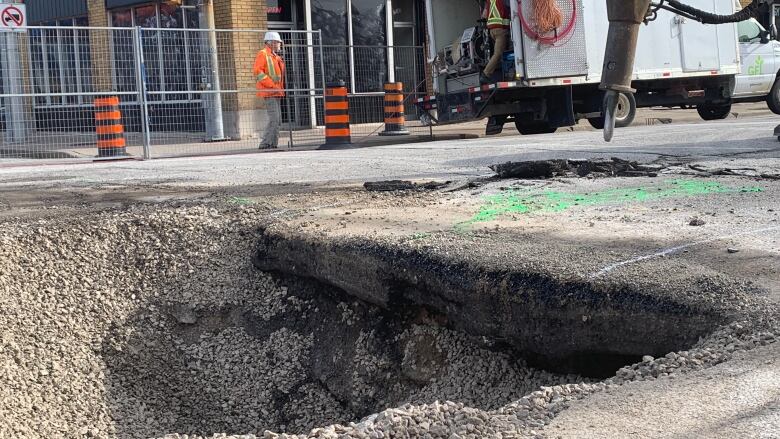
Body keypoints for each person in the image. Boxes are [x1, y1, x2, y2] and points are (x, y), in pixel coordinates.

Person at [253, 32, 286, 149]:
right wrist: (272, 85)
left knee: (278, 120)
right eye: (278, 42)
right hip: (270, 92)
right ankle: (266, 143)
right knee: (274, 119)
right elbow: (258, 72)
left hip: (276, 92)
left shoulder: (274, 56)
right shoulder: (263, 54)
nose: (279, 44)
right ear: (271, 43)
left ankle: (273, 143)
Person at [481, 0, 510, 84]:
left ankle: (503, 73)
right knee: (498, 53)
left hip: (492, 31)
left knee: (499, 52)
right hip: (500, 30)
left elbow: (484, 15)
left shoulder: (490, 1)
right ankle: (485, 74)